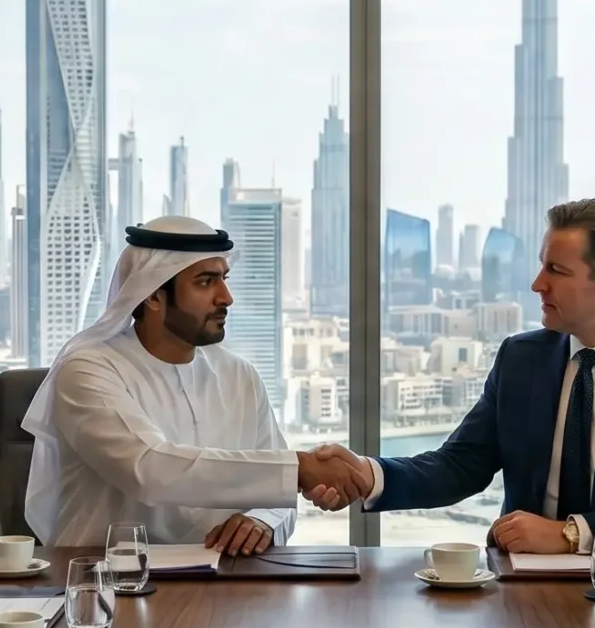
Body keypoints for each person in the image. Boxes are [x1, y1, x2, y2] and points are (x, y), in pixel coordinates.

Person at [306, 199, 595, 555]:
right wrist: (368, 473)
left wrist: (572, 534)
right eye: (541, 266)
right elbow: (460, 465)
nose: (536, 284)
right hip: (523, 589)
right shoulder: (521, 358)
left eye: (556, 271)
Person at [26, 216, 362, 550]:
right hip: (110, 583)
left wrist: (263, 521)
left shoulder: (239, 375)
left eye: (224, 279)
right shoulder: (87, 370)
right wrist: (300, 469)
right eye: (205, 282)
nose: (226, 297)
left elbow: (277, 498)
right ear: (153, 295)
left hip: (225, 585)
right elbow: (149, 468)